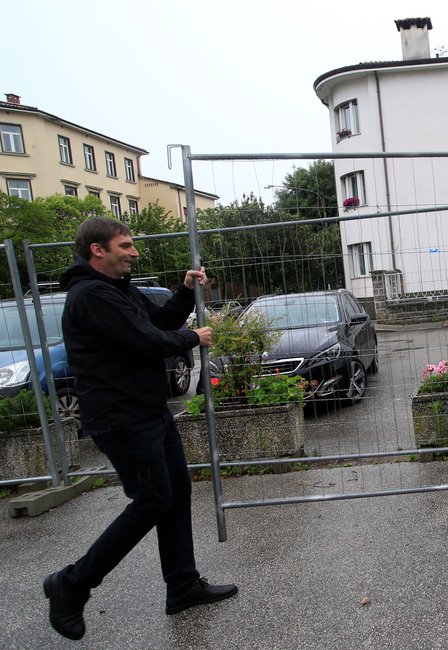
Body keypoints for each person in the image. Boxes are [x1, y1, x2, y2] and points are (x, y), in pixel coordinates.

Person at [43, 217, 237, 640]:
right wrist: (194, 338)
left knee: (176, 491)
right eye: (125, 245)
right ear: (98, 250)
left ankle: (182, 586)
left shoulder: (118, 289)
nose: (133, 252)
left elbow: (162, 321)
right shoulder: (91, 296)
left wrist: (185, 291)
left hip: (148, 410)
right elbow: (144, 342)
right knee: (152, 499)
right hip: (120, 418)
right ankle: (72, 584)